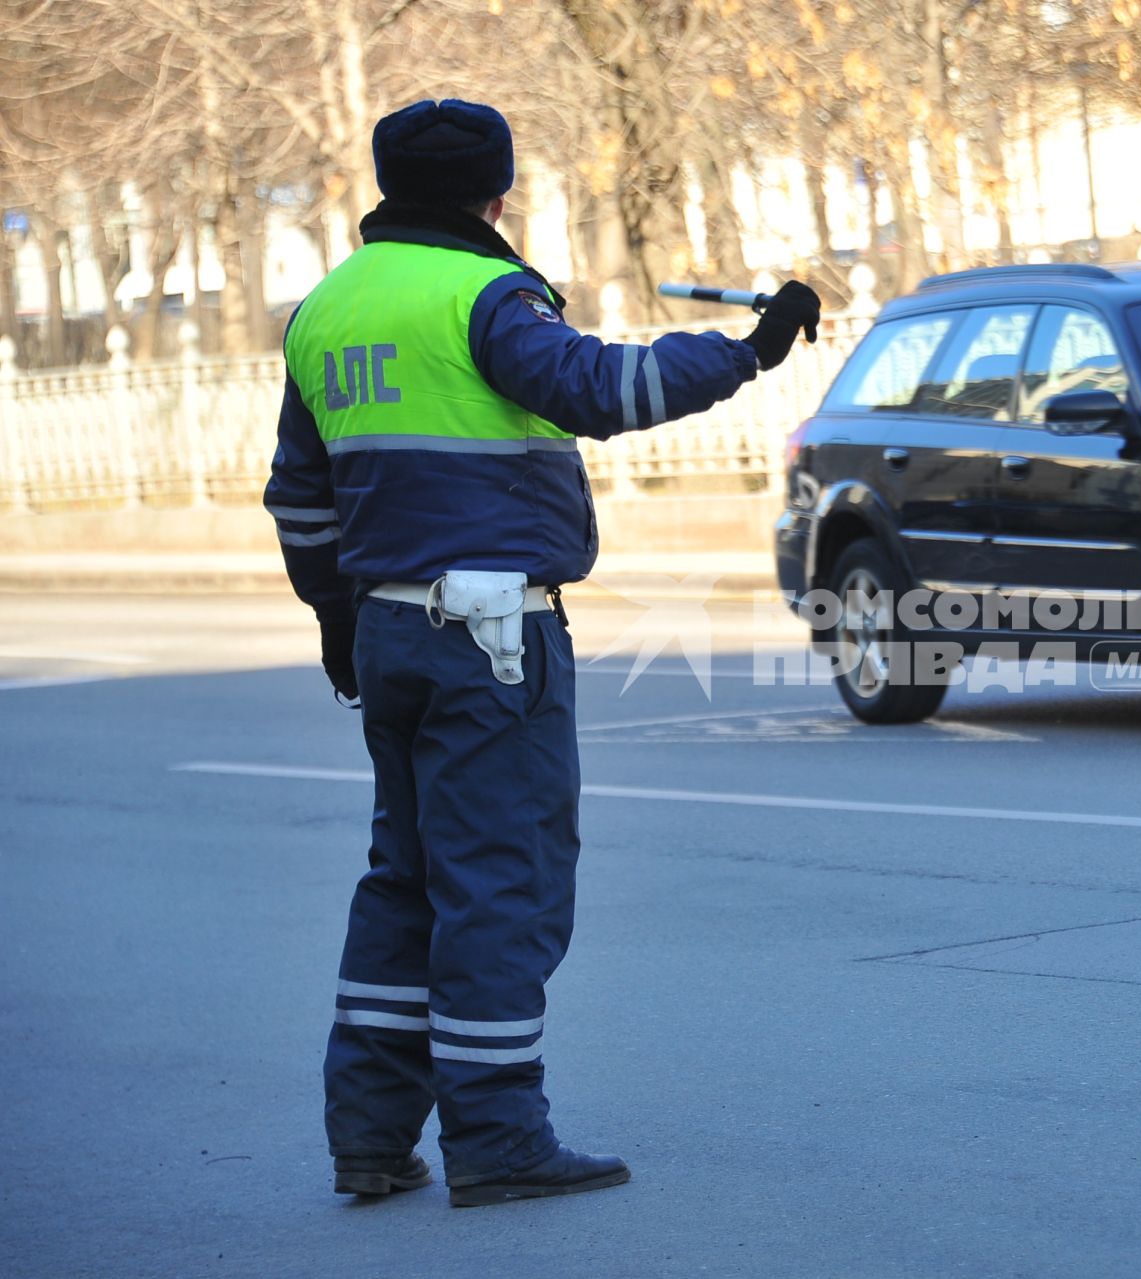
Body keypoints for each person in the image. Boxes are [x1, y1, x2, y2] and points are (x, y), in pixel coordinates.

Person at [263, 99, 820, 1208]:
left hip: (386, 627)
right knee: (500, 885)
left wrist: (335, 618)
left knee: (405, 881)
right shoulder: (486, 296)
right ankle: (498, 1136)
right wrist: (749, 350)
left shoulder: (324, 311)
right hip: (489, 636)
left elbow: (300, 496)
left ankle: (369, 1137)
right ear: (496, 192)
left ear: (388, 187)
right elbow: (598, 390)